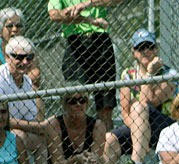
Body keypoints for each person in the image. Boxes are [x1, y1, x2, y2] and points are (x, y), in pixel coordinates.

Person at [103, 28, 177, 164]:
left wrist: (150, 73)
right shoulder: (128, 75)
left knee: (138, 106)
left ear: (156, 49)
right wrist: (140, 134)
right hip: (137, 128)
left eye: (149, 47)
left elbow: (149, 101)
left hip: (164, 128)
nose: (145, 51)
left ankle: (137, 163)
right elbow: (125, 112)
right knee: (109, 139)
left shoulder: (169, 74)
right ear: (133, 52)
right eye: (140, 47)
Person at [48, 0, 124, 130]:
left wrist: (88, 4)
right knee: (75, 103)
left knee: (105, 106)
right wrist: (89, 20)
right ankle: (78, 148)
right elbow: (55, 15)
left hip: (101, 41)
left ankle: (106, 146)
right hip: (75, 42)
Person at [0, 36, 46, 164]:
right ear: (7, 57)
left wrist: (39, 127)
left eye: (29, 57)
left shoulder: (26, 80)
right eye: (19, 58)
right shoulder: (1, 78)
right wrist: (36, 126)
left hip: (17, 128)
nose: (25, 62)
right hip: (3, 130)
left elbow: (32, 115)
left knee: (42, 138)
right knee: (19, 135)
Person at [0, 8, 41, 89]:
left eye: (18, 26)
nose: (15, 29)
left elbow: (35, 74)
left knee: (34, 87)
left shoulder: (27, 46)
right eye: (9, 26)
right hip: (3, 88)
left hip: (23, 87)